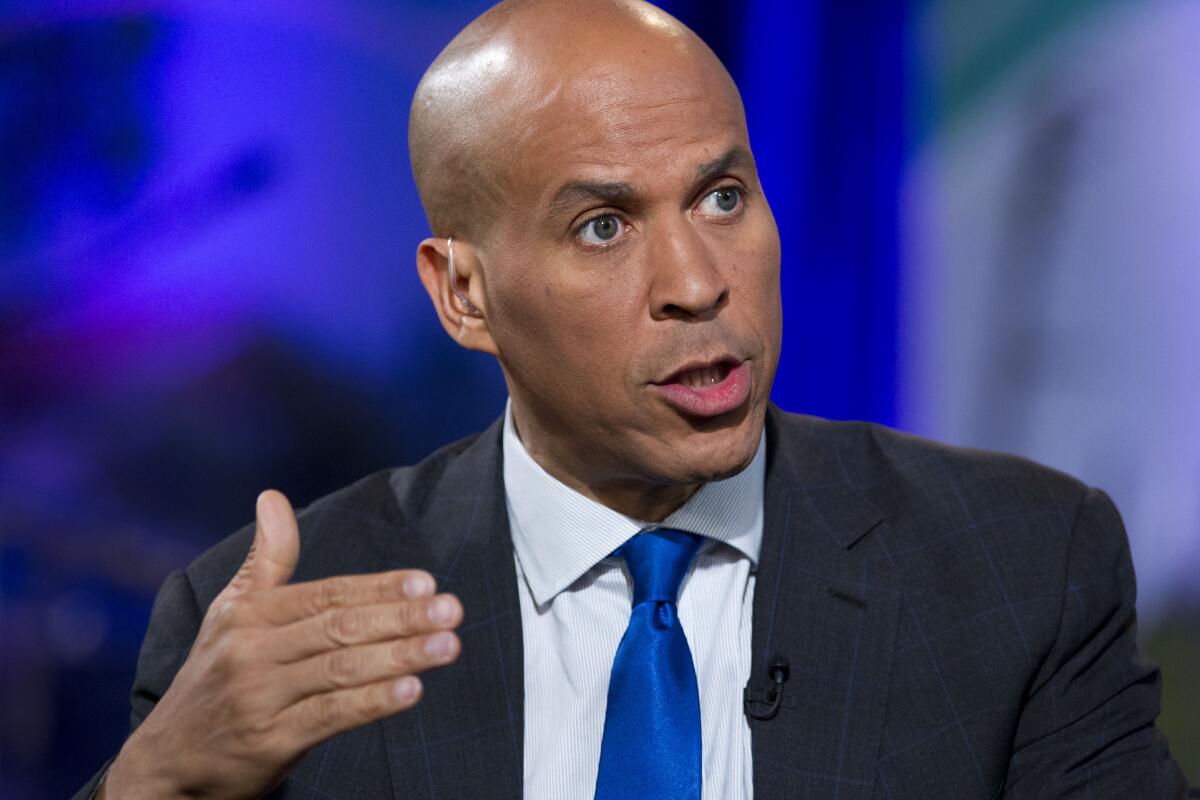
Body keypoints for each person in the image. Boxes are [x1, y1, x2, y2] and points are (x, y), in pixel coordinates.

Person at [76, 0, 1189, 798]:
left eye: (721, 195)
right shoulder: (267, 621)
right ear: (464, 292)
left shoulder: (1022, 564)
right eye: (602, 225)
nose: (700, 282)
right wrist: (153, 785)